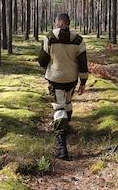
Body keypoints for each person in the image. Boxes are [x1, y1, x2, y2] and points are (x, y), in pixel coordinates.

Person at [37, 13, 88, 160]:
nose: (55, 25)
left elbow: (42, 59)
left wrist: (44, 67)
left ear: (60, 23)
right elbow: (83, 62)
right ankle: (67, 127)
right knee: (67, 102)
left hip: (55, 78)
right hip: (71, 78)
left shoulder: (50, 37)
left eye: (55, 22)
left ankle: (62, 147)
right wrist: (83, 82)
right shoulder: (78, 39)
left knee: (59, 108)